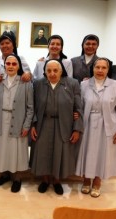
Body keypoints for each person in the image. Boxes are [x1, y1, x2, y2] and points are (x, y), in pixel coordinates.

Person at [76, 57, 116, 198]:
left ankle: (98, 182)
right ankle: (86, 180)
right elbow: (79, 107)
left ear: (108, 69)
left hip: (107, 126)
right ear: (92, 68)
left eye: (103, 68)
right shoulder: (84, 84)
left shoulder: (115, 85)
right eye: (97, 67)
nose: (100, 70)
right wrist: (76, 117)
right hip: (87, 124)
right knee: (87, 152)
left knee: (102, 154)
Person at [30, 59, 83, 195]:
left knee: (59, 152)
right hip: (43, 123)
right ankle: (45, 180)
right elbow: (33, 106)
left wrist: (77, 128)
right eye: (49, 70)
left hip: (63, 124)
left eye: (55, 70)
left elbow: (78, 108)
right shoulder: (38, 84)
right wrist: (33, 125)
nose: (52, 73)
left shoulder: (72, 84)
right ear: (45, 72)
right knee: (43, 152)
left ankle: (57, 180)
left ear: (61, 71)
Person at [0, 54, 34, 193]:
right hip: (2, 119)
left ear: (19, 66)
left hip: (18, 120)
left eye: (14, 64)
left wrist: (27, 125)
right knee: (3, 148)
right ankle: (4, 174)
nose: (10, 66)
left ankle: (17, 178)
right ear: (5, 66)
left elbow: (30, 107)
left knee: (16, 150)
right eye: (8, 64)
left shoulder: (25, 83)